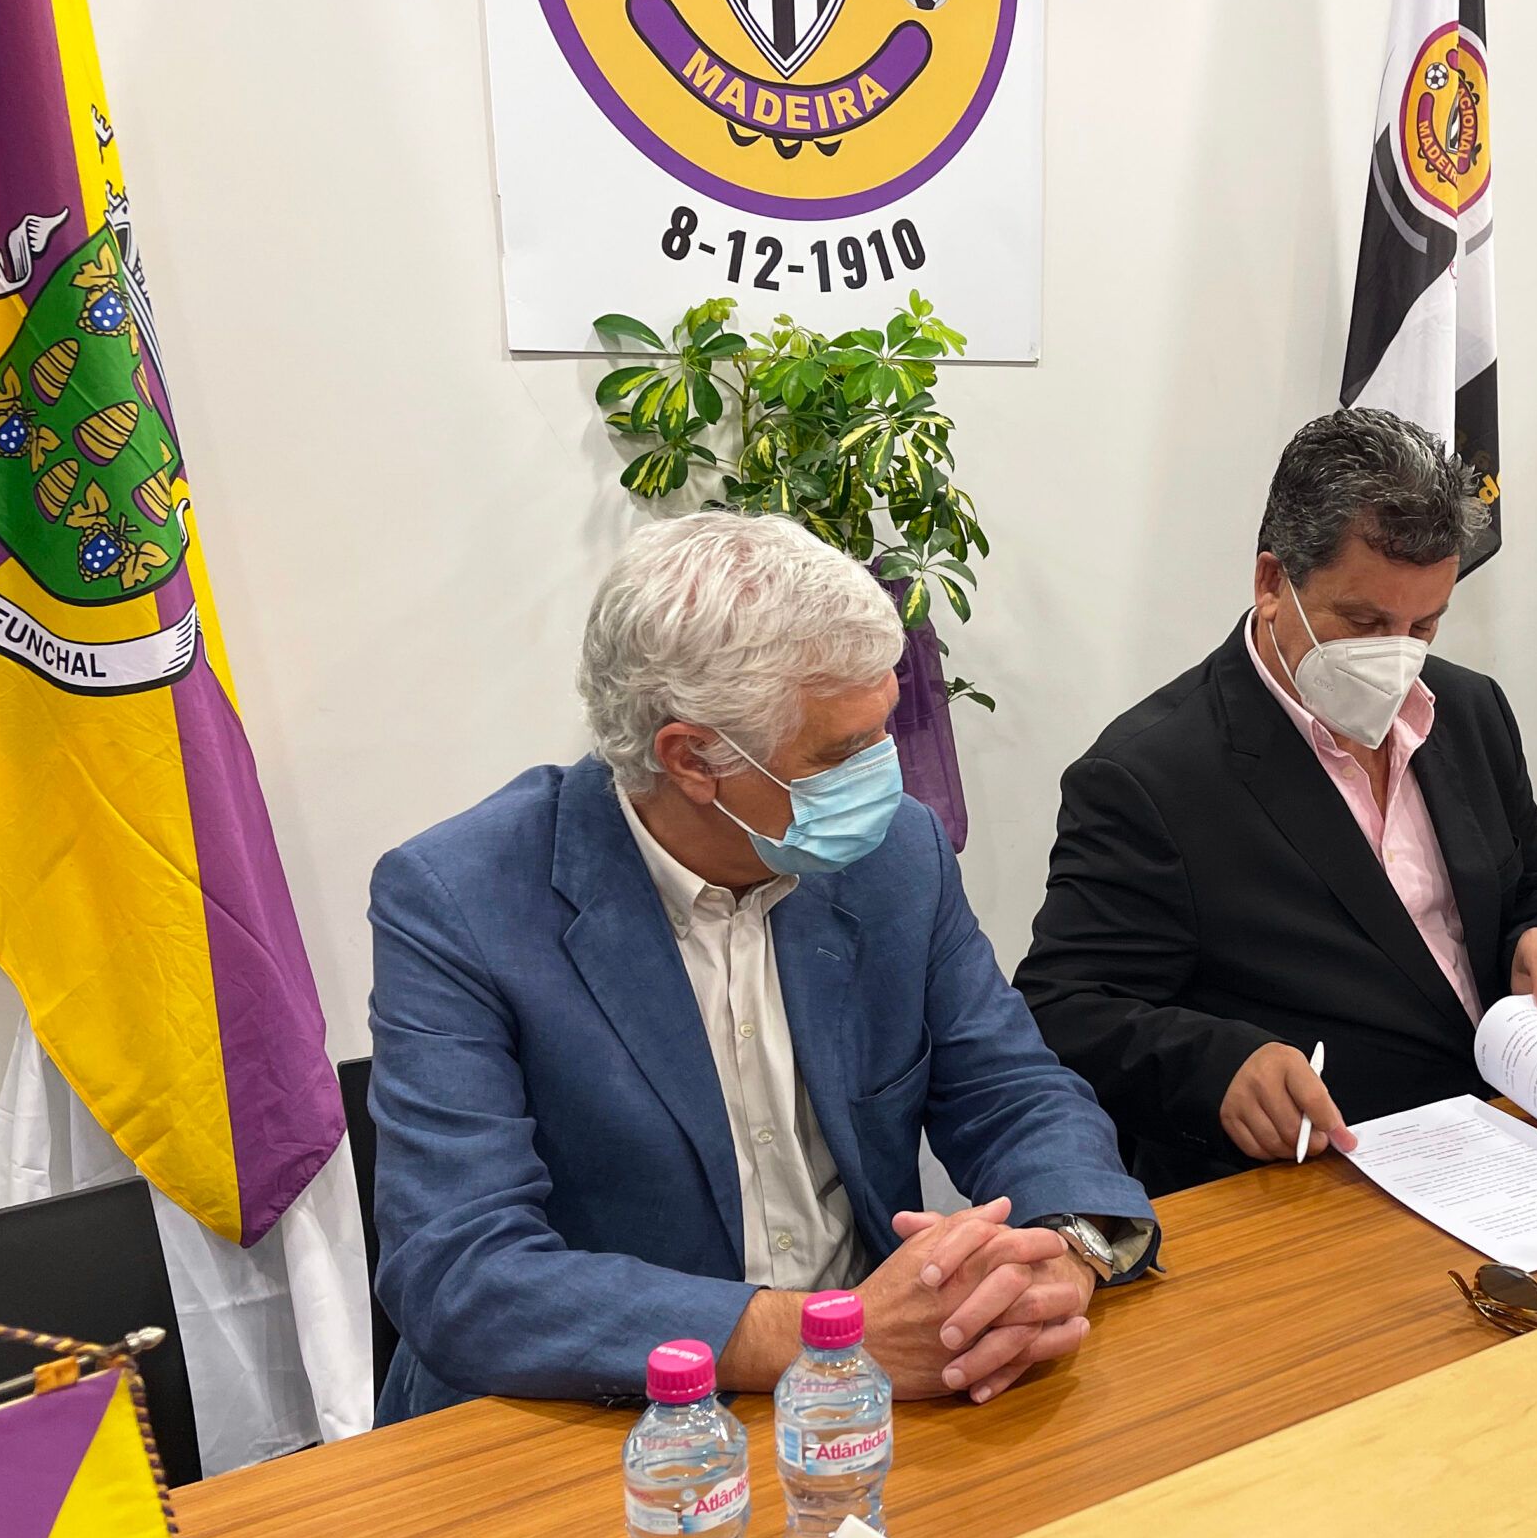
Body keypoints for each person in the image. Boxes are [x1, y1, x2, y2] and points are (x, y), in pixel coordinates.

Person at [368, 512, 1157, 1423]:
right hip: (600, 1416)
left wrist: (1065, 1245)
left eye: (885, 728)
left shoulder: (897, 854)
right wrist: (828, 1333)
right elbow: (462, 1271)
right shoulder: (459, 901)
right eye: (841, 753)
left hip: (876, 1404)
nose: (887, 773)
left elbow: (1013, 1090)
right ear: (690, 758)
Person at [1015, 409, 1537, 1196]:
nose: (1396, 656)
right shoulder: (1150, 776)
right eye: (1364, 622)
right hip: (1318, 1181)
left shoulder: (1470, 711)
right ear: (1273, 583)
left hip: (1511, 1138)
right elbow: (1064, 1008)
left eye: (1424, 624)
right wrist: (1220, 1066)